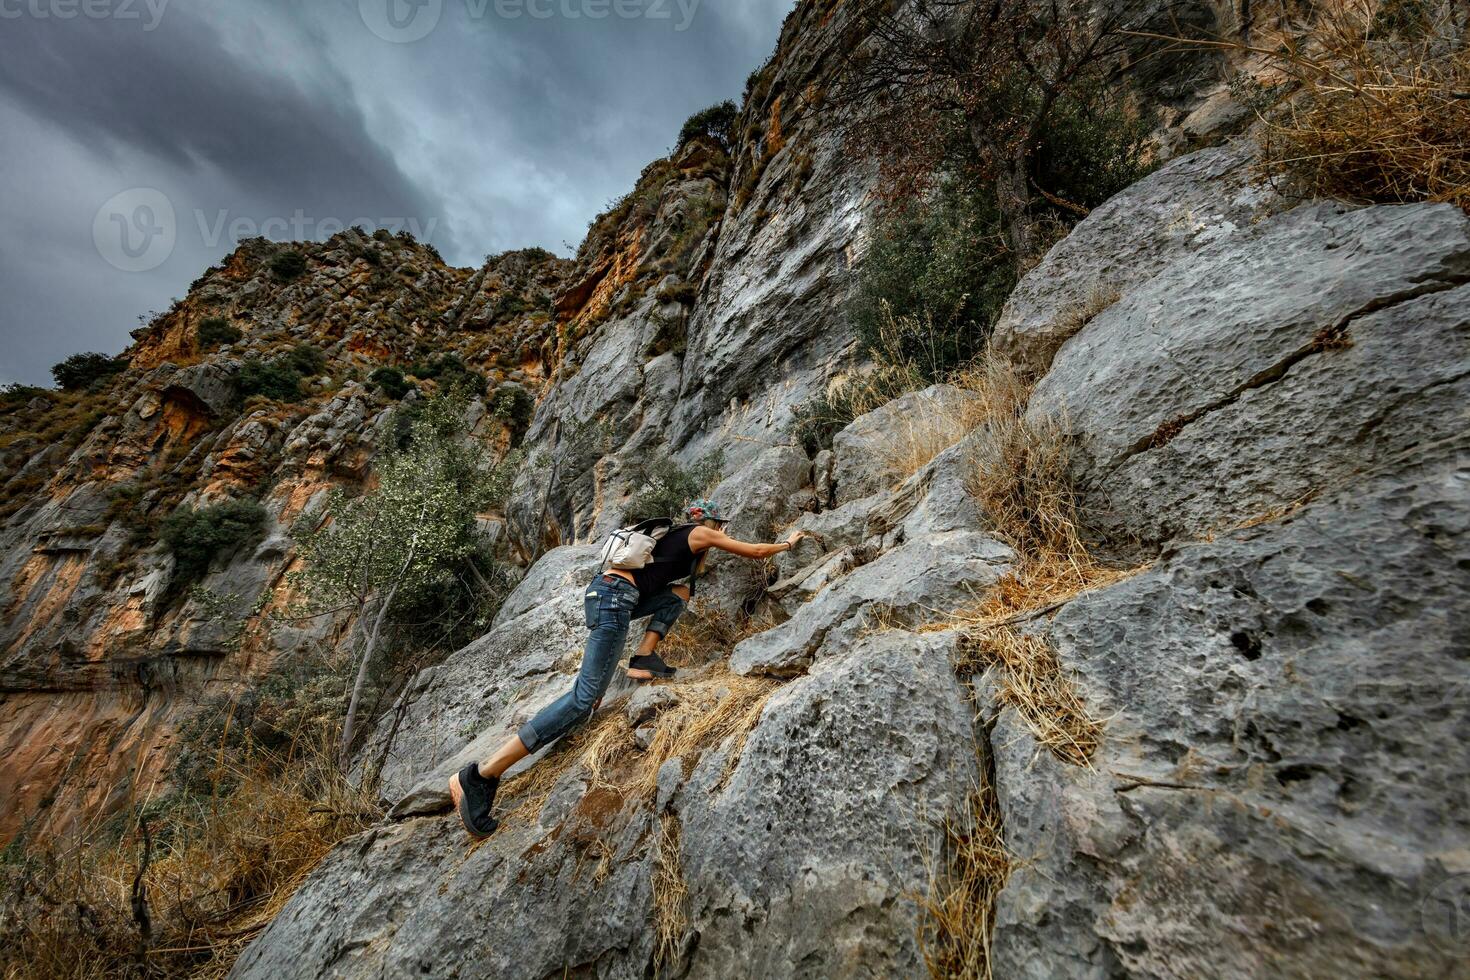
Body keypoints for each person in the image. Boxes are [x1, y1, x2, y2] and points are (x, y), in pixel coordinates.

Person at [448, 498, 805, 838]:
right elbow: (755, 551)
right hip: (614, 598)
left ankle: (644, 657)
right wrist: (788, 545)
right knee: (582, 700)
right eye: (719, 526)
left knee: (678, 594)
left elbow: (675, 585)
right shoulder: (700, 532)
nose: (720, 532)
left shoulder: (680, 541)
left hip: (613, 596)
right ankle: (481, 774)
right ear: (709, 521)